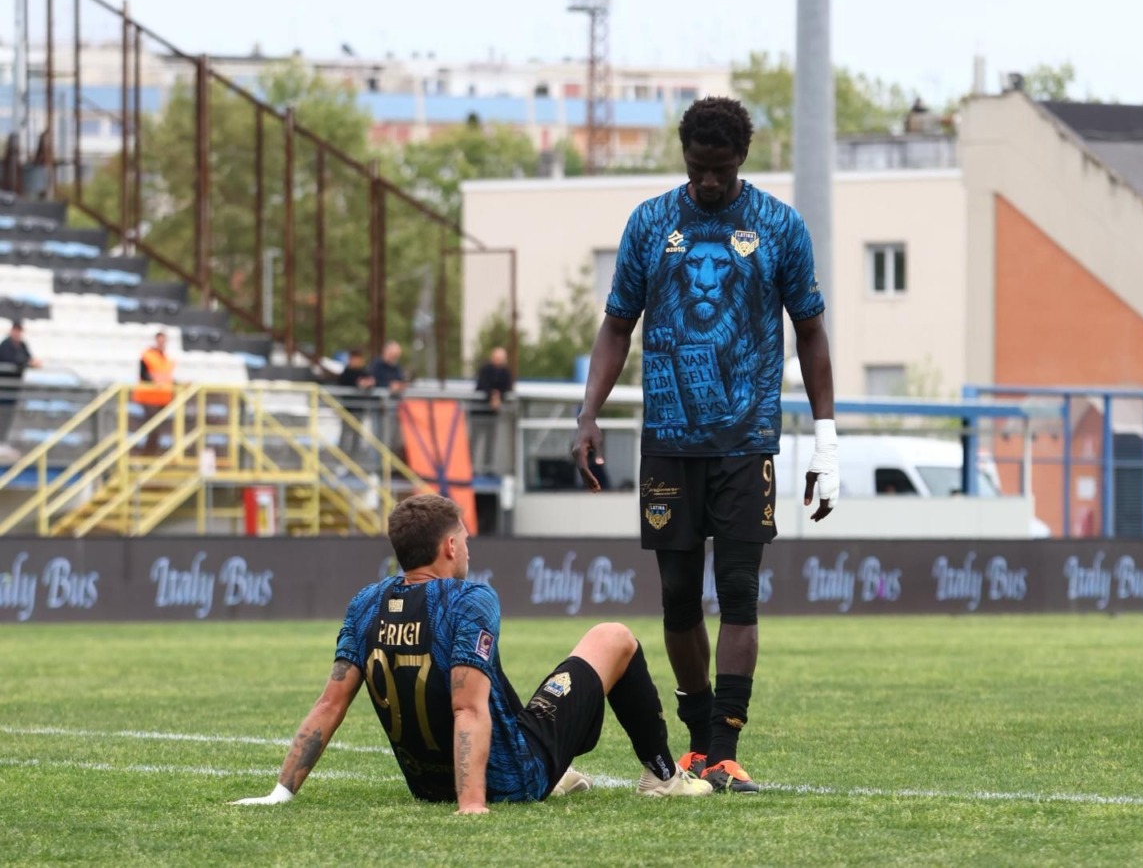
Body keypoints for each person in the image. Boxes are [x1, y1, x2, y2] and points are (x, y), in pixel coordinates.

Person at [571, 96, 839, 794]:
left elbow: (810, 330)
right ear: (685, 158)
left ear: (741, 158)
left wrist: (826, 439)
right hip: (668, 441)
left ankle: (726, 748)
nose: (709, 182)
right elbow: (616, 326)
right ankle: (695, 746)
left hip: (747, 441)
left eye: (720, 170)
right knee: (678, 598)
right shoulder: (650, 223)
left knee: (740, 593)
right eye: (698, 168)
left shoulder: (779, 226)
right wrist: (588, 413)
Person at [232, 493, 712, 811]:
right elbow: (466, 707)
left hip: (427, 786)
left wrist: (281, 792)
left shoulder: (366, 602)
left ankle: (561, 773)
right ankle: (662, 776)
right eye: (464, 539)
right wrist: (472, 804)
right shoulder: (469, 598)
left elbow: (329, 703)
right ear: (448, 546)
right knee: (614, 636)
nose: (468, 548)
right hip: (508, 779)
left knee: (484, 673)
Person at [0, 320, 41, 453]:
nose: (17, 333)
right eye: (16, 330)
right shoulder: (5, 345)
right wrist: (28, 363)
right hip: (3, 387)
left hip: (14, 388)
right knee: (2, 414)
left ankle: (3, 441)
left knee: (8, 415)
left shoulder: (22, 345)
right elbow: (13, 360)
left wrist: (32, 362)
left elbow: (27, 358)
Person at [132, 330, 175, 455]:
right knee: (154, 428)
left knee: (158, 429)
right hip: (148, 398)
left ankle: (151, 454)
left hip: (162, 399)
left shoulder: (167, 359)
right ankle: (148, 454)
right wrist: (154, 382)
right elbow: (144, 375)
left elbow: (167, 378)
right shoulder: (147, 356)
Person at [472, 346, 514, 474]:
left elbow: (507, 387)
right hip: (479, 413)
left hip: (492, 414)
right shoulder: (485, 370)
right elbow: (481, 385)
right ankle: (470, 467)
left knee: (490, 442)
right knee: (474, 441)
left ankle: (487, 468)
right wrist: (492, 395)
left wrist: (498, 396)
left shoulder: (505, 373)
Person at [335, 347, 375, 458]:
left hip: (359, 409)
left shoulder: (364, 372)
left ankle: (354, 459)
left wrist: (368, 383)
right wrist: (358, 384)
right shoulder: (346, 373)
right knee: (345, 434)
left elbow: (371, 381)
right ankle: (341, 458)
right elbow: (344, 383)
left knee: (357, 436)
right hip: (348, 409)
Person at [368, 340, 407, 446]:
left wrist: (400, 385)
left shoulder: (396, 367)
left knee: (391, 438)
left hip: (392, 407)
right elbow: (372, 381)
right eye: (393, 355)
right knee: (378, 436)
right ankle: (377, 456)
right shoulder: (376, 365)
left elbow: (401, 380)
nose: (395, 358)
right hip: (378, 406)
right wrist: (389, 386)